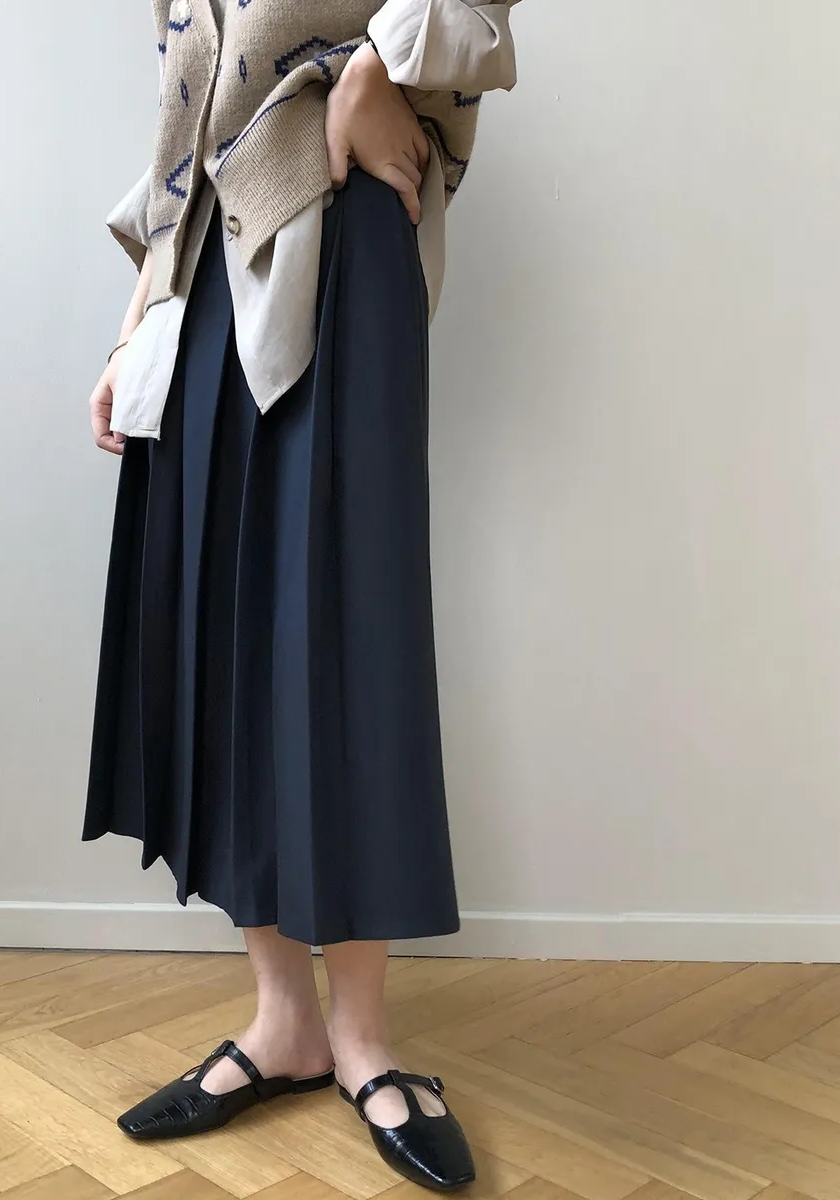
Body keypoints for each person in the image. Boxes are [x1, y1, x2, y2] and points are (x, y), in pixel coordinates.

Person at [83, 0, 520, 1190]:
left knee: (347, 624)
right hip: (202, 275)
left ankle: (365, 1038)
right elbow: (190, 114)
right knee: (224, 630)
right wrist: (134, 325)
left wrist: (375, 67)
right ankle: (285, 1023)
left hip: (343, 228)